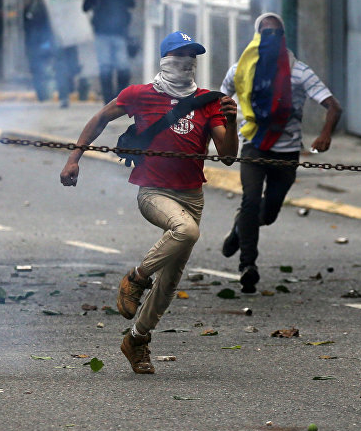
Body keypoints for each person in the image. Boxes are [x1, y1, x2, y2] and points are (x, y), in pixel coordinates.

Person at [60, 30, 239, 374]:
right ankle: (137, 278)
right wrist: (74, 157)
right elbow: (100, 118)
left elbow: (229, 155)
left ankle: (137, 339)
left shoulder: (208, 101)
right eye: (181, 55)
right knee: (185, 232)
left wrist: (230, 121)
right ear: (166, 59)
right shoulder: (139, 95)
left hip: (192, 196)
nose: (187, 63)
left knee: (171, 281)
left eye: (193, 57)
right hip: (153, 192)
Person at [219, 12, 342, 293]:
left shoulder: (299, 72)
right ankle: (247, 265)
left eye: (276, 33)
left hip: (286, 153)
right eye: (265, 33)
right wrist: (218, 128)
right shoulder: (240, 69)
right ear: (256, 36)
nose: (270, 39)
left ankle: (239, 229)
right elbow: (220, 98)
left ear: (284, 37)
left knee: (268, 212)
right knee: (250, 201)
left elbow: (334, 105)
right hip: (253, 146)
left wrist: (325, 135)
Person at [82, 0, 134, 103]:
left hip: (119, 34)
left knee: (123, 67)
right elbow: (85, 7)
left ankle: (121, 99)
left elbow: (131, 3)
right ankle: (108, 101)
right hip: (102, 33)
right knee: (105, 67)